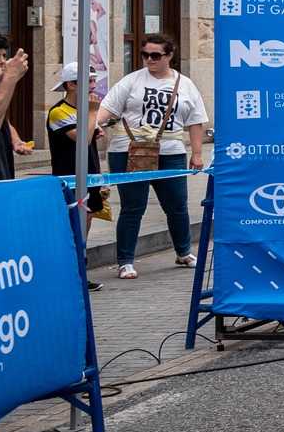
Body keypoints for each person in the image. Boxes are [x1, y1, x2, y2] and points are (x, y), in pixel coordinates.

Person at [94, 32, 206, 278]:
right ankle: (125, 260)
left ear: (170, 56)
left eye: (155, 55)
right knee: (133, 207)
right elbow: (107, 108)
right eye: (145, 55)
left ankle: (183, 251)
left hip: (170, 151)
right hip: (129, 150)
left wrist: (197, 153)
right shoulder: (131, 81)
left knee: (177, 205)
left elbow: (196, 121)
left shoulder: (185, 84)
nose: (149, 60)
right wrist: (96, 124)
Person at [47, 63, 108, 218]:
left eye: (94, 81)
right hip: (70, 176)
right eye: (88, 81)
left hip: (90, 174)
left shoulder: (85, 109)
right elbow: (83, 141)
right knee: (73, 221)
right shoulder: (59, 111)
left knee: (88, 218)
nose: (93, 86)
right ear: (71, 84)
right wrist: (93, 112)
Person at [0, 32, 28, 183]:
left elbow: (0, 118)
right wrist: (10, 79)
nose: (2, 61)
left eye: (4, 56)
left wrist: (15, 139)